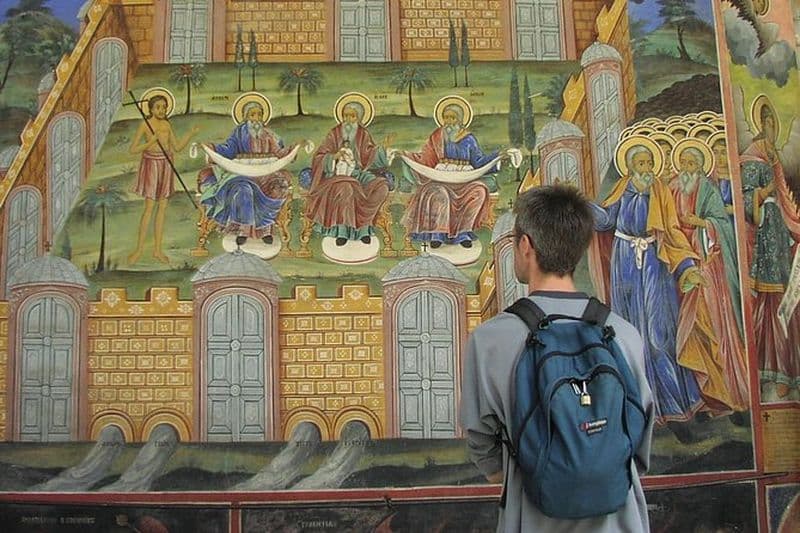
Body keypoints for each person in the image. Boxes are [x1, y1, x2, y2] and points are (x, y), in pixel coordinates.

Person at [460, 184, 654, 532]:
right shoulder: (624, 334)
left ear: (525, 246)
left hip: (533, 518)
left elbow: (481, 442)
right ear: (579, 250)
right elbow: (640, 437)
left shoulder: (490, 340)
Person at [592, 138, 707, 440]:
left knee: (659, 337)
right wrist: (580, 203)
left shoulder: (660, 192)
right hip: (625, 266)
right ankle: (643, 413)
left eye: (648, 163)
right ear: (629, 167)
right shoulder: (622, 191)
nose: (645, 168)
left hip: (655, 266)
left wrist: (686, 268)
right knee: (630, 337)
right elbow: (605, 220)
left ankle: (678, 408)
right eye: (639, 163)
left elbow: (671, 231)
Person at [669, 142, 749, 413]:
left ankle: (726, 391)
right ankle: (703, 394)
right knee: (693, 329)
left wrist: (702, 224)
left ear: (701, 167)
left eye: (691, 164)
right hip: (683, 264)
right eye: (683, 163)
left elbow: (723, 225)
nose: (686, 169)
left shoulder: (707, 189)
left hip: (709, 267)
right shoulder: (673, 188)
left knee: (714, 324)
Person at [740, 96, 800, 399]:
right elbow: (746, 199)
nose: (771, 127)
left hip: (779, 233)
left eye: (774, 122)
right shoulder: (752, 158)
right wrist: (763, 193)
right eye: (767, 122)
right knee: (769, 303)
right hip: (764, 238)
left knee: (788, 302)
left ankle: (789, 371)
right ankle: (768, 370)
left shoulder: (772, 157)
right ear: (759, 124)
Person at [401, 98, 509, 248]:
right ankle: (438, 234)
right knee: (440, 195)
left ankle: (463, 233)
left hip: (464, 182)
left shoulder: (469, 139)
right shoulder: (437, 137)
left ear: (459, 119)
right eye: (446, 118)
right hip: (440, 180)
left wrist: (497, 157)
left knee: (479, 192)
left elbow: (478, 161)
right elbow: (426, 158)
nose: (448, 122)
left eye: (452, 118)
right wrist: (407, 156)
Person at [199, 99, 294, 246]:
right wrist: (211, 148)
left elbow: (279, 152)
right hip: (242, 173)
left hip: (266, 173)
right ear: (245, 117)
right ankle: (243, 230)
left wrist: (293, 150)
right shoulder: (239, 134)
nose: (256, 118)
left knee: (277, 188)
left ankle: (265, 230)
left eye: (259, 114)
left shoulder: (269, 134)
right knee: (244, 190)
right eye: (253, 114)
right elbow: (228, 150)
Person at [305, 95, 393, 247]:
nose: (348, 119)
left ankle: (364, 229)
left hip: (358, 173)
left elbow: (370, 155)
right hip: (338, 174)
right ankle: (342, 232)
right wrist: (334, 157)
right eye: (345, 115)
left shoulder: (363, 134)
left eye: (352, 116)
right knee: (346, 189)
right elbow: (319, 156)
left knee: (381, 187)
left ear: (358, 118)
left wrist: (383, 149)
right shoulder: (334, 133)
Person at [128, 92, 199, 264]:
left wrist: (190, 134)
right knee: (149, 208)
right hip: (151, 165)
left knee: (162, 208)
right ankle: (138, 250)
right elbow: (133, 149)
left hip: (166, 164)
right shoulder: (145, 125)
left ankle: (158, 250)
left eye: (164, 107)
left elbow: (177, 147)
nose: (161, 110)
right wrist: (150, 141)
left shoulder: (167, 125)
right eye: (158, 107)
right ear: (150, 108)